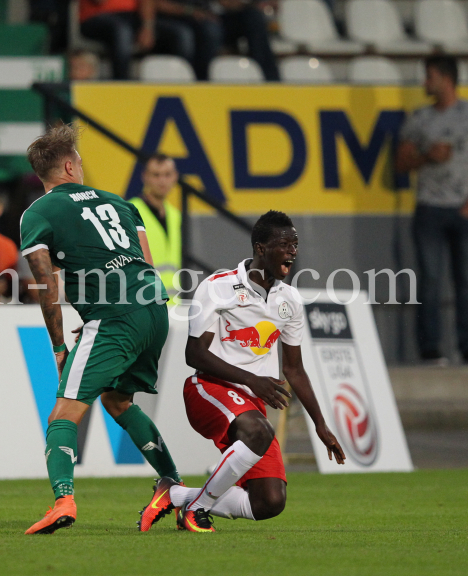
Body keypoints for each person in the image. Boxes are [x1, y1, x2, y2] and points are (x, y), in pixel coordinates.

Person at [20, 123, 182, 534]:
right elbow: (143, 264)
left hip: (114, 316)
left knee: (63, 412)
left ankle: (63, 500)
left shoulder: (37, 213)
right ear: (72, 165)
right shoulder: (122, 204)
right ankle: (173, 487)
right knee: (117, 400)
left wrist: (59, 346)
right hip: (153, 309)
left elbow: (45, 282)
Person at [146, 210, 345, 533]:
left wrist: (320, 425)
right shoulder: (218, 288)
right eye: (285, 244)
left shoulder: (290, 300)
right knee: (259, 431)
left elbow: (294, 370)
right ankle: (196, 510)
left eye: (295, 243)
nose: (293, 250)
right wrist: (252, 380)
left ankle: (176, 494)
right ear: (261, 249)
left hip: (252, 404)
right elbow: (194, 354)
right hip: (208, 388)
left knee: (269, 502)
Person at [396, 56, 468, 366]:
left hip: (462, 211)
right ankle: (430, 349)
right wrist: (427, 156)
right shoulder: (420, 119)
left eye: (429, 77)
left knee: (466, 281)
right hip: (429, 209)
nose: (425, 84)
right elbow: (400, 163)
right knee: (430, 281)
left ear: (446, 79)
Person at [156, 0, 280, 81]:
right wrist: (191, 11)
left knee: (253, 16)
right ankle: (202, 82)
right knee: (210, 30)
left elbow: (226, 3)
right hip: (177, 18)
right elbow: (156, 4)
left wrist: (255, 5)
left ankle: (271, 81)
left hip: (210, 18)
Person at [79, 0, 191, 81]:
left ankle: (185, 84)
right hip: (96, 16)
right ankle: (121, 85)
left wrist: (147, 26)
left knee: (180, 34)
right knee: (122, 31)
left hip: (132, 16)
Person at [129, 153, 181, 301]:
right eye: (156, 175)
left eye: (167, 175)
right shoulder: (131, 210)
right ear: (145, 177)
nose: (162, 181)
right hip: (145, 301)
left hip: (174, 303)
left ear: (175, 177)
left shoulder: (175, 215)